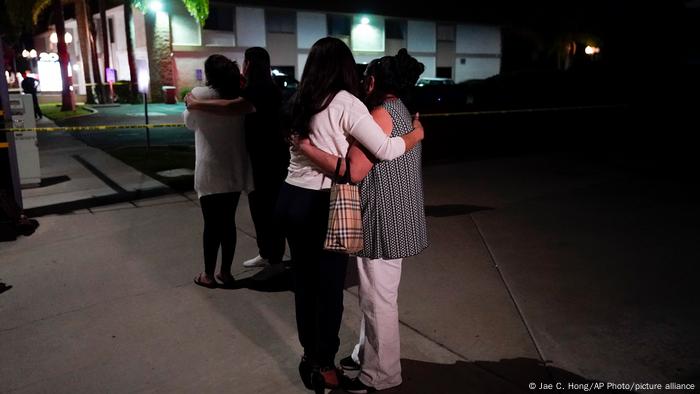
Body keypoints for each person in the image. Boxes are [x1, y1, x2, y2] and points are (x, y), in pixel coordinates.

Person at [277, 37, 424, 393]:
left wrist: (307, 148)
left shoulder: (299, 101)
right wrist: (418, 133)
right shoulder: (348, 104)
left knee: (304, 284)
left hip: (290, 198)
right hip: (321, 202)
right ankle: (324, 367)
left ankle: (311, 353)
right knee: (328, 290)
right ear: (345, 67)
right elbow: (381, 153)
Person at [185, 47, 289, 269]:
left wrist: (196, 104)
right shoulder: (263, 88)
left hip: (265, 161)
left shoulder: (262, 90)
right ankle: (268, 253)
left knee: (266, 211)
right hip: (267, 159)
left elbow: (232, 106)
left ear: (248, 65)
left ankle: (273, 258)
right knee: (262, 211)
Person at [183, 54, 253, 289]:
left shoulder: (198, 95)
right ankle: (226, 272)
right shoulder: (238, 97)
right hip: (233, 167)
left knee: (211, 224)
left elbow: (189, 123)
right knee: (228, 222)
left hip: (209, 168)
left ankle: (208, 274)